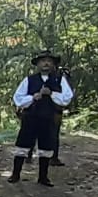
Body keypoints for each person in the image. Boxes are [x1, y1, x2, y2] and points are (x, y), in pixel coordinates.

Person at [8, 50, 75, 186]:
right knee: (22, 146)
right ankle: (15, 174)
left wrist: (52, 94)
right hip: (30, 118)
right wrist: (33, 97)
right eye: (43, 61)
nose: (46, 63)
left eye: (49, 61)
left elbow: (66, 98)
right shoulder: (29, 80)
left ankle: (43, 177)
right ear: (38, 64)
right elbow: (18, 99)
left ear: (53, 64)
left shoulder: (59, 80)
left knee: (46, 148)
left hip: (49, 118)